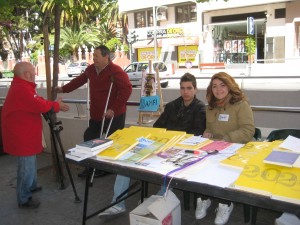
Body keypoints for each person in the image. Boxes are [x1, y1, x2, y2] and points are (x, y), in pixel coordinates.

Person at [98, 72, 206, 217]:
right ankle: (117, 203)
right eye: (182, 88)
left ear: (195, 89)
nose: (185, 92)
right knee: (126, 162)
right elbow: (157, 126)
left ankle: (153, 202)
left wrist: (173, 141)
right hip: (161, 145)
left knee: (169, 172)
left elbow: (197, 132)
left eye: (189, 88)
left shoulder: (200, 108)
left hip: (181, 150)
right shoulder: (172, 106)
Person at [56, 45, 132, 178]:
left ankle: (108, 168)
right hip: (97, 113)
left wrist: (113, 109)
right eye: (93, 56)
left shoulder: (115, 71)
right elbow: (79, 81)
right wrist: (63, 89)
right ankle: (91, 167)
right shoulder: (91, 69)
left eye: (96, 56)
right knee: (90, 138)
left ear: (106, 57)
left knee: (111, 142)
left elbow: (127, 89)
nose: (94, 59)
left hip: (114, 114)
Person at [1, 61, 70, 209]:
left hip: (24, 133)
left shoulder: (22, 87)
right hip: (22, 135)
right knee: (26, 165)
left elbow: (37, 101)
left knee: (30, 162)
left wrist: (52, 104)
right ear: (26, 74)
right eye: (33, 71)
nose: (35, 74)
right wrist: (56, 105)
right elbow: (39, 105)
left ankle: (31, 186)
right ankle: (24, 197)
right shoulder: (22, 89)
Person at [195, 72, 255, 225]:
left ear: (230, 86)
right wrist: (206, 133)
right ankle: (204, 198)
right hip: (215, 147)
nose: (218, 89)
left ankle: (225, 203)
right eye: (214, 86)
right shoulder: (210, 108)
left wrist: (226, 139)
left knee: (223, 169)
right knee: (198, 163)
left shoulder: (241, 105)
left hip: (235, 148)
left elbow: (248, 130)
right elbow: (210, 128)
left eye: (222, 85)